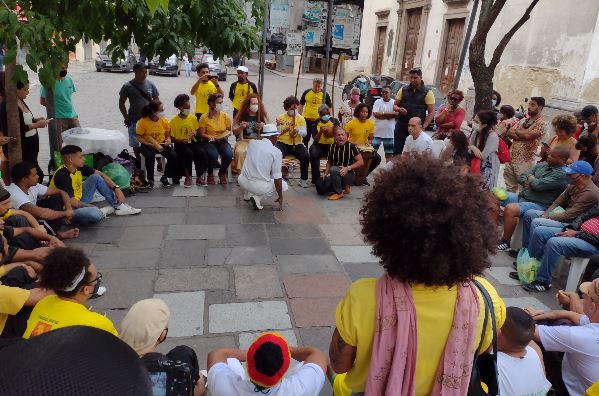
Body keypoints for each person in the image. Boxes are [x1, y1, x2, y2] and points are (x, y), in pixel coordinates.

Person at [329, 155, 505, 395]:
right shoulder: (485, 297)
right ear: (472, 236)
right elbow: (480, 350)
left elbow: (339, 365)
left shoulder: (363, 297)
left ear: (387, 233)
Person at [23, 247, 116, 339]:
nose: (98, 281)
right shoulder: (99, 324)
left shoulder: (43, 303)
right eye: (96, 278)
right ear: (86, 289)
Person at [120, 298, 205, 396]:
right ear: (161, 335)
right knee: (183, 353)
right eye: (165, 328)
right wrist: (200, 387)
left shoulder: (109, 356)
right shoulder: (156, 374)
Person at [530, 278, 599, 395]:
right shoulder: (593, 324)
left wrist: (526, 313)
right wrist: (547, 314)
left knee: (528, 342)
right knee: (559, 321)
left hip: (569, 390)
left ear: (592, 306)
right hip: (584, 384)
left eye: (585, 295)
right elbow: (574, 316)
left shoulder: (582, 336)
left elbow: (528, 331)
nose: (582, 296)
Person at [207, 332, 326, 395]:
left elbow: (217, 353)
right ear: (284, 368)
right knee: (305, 365)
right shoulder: (301, 389)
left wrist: (251, 354)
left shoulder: (222, 387)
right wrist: (285, 351)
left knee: (230, 361)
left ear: (249, 364)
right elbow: (316, 354)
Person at [496, 147, 569, 251]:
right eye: (549, 154)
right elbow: (521, 177)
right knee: (494, 196)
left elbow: (538, 186)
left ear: (562, 160)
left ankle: (505, 241)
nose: (548, 156)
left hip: (538, 204)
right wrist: (531, 181)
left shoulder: (561, 175)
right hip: (522, 197)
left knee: (510, 209)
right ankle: (490, 233)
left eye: (552, 156)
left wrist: (532, 179)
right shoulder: (542, 165)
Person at [50, 145, 141, 226]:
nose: (84, 159)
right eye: (81, 157)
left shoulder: (78, 168)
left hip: (78, 200)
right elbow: (72, 202)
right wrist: (91, 207)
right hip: (65, 211)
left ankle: (119, 206)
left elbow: (101, 174)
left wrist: (116, 189)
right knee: (94, 213)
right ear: (71, 159)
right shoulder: (62, 175)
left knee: (96, 177)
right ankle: (102, 211)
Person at [520, 160, 599, 252]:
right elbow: (558, 202)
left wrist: (548, 216)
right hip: (562, 214)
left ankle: (533, 255)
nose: (568, 175)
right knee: (529, 214)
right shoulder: (573, 185)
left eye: (571, 173)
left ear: (581, 176)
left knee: (537, 223)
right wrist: (547, 213)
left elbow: (569, 216)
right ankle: (525, 248)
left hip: (571, 222)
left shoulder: (590, 193)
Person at [523, 201, 599, 292]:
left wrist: (578, 234)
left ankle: (543, 281)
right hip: (578, 232)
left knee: (555, 243)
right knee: (540, 231)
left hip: (593, 244)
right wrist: (572, 228)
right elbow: (584, 216)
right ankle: (528, 269)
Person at [7, 162, 80, 240]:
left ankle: (56, 233)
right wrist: (64, 213)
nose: (38, 176)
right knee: (92, 214)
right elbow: (42, 214)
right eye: (34, 175)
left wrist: (69, 209)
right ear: (24, 179)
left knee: (57, 197)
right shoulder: (14, 193)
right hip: (20, 225)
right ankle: (55, 236)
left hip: (35, 217)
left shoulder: (33, 186)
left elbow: (62, 192)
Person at [497, 307, 551, 396]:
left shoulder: (494, 361)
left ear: (499, 333)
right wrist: (524, 320)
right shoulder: (535, 351)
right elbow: (523, 332)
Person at [0, 80, 47, 183]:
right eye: (25, 89)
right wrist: (36, 125)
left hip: (32, 146)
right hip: (24, 147)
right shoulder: (8, 105)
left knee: (36, 173)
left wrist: (36, 120)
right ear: (16, 90)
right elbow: (16, 128)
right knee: (37, 175)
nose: (27, 92)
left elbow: (25, 120)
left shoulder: (20, 100)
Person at [238, 124, 287, 211]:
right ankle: (257, 198)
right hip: (258, 186)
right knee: (283, 185)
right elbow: (277, 178)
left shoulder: (252, 143)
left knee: (253, 170)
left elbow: (245, 155)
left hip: (242, 180)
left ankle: (248, 193)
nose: (277, 138)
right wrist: (280, 196)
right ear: (272, 137)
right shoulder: (276, 152)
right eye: (276, 136)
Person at [503, 97, 547, 192]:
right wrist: (523, 134)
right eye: (529, 104)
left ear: (540, 107)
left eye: (533, 105)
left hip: (525, 161)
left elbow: (527, 136)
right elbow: (509, 132)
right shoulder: (523, 120)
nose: (529, 107)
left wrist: (520, 133)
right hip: (511, 158)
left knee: (523, 190)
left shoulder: (541, 124)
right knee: (509, 188)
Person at [40, 66, 79, 171]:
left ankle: (75, 166)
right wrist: (54, 111)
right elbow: (43, 101)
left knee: (78, 141)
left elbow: (68, 97)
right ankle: (59, 169)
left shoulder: (69, 79)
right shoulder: (48, 82)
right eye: (60, 68)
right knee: (58, 145)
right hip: (57, 117)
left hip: (72, 115)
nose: (63, 70)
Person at [118, 62, 159, 162]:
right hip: (134, 120)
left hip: (149, 121)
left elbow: (157, 101)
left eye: (146, 72)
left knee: (153, 140)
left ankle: (158, 162)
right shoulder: (127, 86)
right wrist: (126, 117)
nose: (144, 74)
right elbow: (121, 103)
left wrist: (156, 116)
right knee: (135, 142)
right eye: (141, 72)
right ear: (135, 72)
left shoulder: (150, 85)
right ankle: (139, 161)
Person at [392, 68, 435, 154]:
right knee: (397, 152)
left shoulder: (428, 92)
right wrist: (399, 109)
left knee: (415, 153)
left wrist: (423, 127)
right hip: (402, 125)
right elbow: (394, 106)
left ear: (421, 77)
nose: (412, 80)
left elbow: (431, 112)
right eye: (411, 78)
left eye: (415, 78)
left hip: (416, 128)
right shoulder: (403, 90)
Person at [136, 99, 178, 188]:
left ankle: (165, 176)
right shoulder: (143, 122)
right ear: (153, 111)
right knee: (150, 156)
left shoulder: (164, 121)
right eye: (161, 110)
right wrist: (148, 144)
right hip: (148, 145)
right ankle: (150, 179)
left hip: (162, 144)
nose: (163, 112)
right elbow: (139, 137)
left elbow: (167, 135)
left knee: (173, 156)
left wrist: (168, 140)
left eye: (163, 110)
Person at [316, 127, 364, 200]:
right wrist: (325, 173)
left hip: (349, 174)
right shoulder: (332, 146)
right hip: (336, 174)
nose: (341, 137)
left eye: (343, 135)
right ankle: (344, 186)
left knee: (334, 169)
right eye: (338, 135)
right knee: (320, 187)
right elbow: (329, 161)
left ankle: (339, 193)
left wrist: (347, 168)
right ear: (334, 137)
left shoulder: (352, 147)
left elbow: (361, 162)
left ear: (346, 136)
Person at [170, 94, 207, 187]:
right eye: (186, 108)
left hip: (192, 142)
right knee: (188, 153)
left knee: (201, 152)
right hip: (180, 144)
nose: (188, 110)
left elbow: (197, 130)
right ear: (180, 107)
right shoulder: (174, 120)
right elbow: (172, 138)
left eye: (189, 108)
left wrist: (195, 133)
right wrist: (181, 141)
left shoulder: (193, 118)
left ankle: (199, 176)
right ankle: (188, 176)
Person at [198, 93, 233, 185]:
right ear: (212, 104)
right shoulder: (204, 117)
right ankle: (210, 173)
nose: (221, 105)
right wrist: (209, 136)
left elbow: (229, 130)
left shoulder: (225, 116)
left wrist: (226, 134)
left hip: (222, 141)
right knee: (213, 155)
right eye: (219, 103)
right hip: (209, 142)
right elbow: (202, 134)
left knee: (229, 154)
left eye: (222, 102)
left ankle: (222, 172)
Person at [275, 96, 310, 188]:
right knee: (276, 155)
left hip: (296, 143)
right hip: (283, 142)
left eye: (296, 107)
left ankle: (303, 179)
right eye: (292, 108)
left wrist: (298, 130)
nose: (294, 110)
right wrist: (278, 125)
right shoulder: (281, 117)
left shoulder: (301, 118)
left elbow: (304, 134)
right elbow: (277, 133)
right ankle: (277, 177)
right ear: (287, 108)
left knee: (305, 156)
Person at [345, 103, 381, 185]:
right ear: (358, 112)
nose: (365, 114)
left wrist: (368, 142)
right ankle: (351, 177)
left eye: (366, 112)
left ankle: (363, 176)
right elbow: (345, 140)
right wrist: (353, 143)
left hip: (365, 148)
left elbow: (371, 139)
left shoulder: (370, 123)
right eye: (362, 112)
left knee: (377, 158)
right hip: (353, 147)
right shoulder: (351, 123)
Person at [231, 94, 266, 174]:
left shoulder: (261, 115)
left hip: (258, 140)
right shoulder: (241, 116)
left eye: (257, 104)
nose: (255, 106)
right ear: (248, 105)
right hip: (244, 140)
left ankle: (261, 172)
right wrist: (241, 127)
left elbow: (267, 132)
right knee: (239, 151)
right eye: (253, 104)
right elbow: (234, 131)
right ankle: (242, 172)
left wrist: (262, 127)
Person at [470, 110, 500, 190]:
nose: (473, 122)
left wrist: (473, 148)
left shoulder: (492, 136)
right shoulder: (475, 133)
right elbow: (469, 148)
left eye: (476, 121)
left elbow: (483, 156)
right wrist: (473, 148)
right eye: (473, 120)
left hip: (488, 167)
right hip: (476, 165)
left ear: (484, 125)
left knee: (484, 191)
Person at [309, 104, 339, 183]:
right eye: (323, 114)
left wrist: (333, 131)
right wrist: (320, 132)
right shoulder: (316, 122)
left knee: (338, 153)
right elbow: (315, 140)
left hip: (331, 145)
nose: (326, 116)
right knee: (313, 153)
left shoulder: (334, 121)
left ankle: (335, 177)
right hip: (319, 145)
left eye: (328, 114)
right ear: (319, 114)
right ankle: (316, 179)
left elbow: (339, 135)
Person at [299, 77, 332, 147]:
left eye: (319, 86)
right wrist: (299, 117)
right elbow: (301, 105)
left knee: (317, 138)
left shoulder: (325, 94)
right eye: (315, 86)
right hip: (307, 119)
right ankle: (305, 153)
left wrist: (329, 119)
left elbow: (330, 108)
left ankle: (314, 151)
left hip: (318, 121)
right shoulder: (307, 92)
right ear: (313, 84)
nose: (317, 88)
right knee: (305, 139)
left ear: (321, 86)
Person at [371, 86, 397, 160]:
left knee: (389, 155)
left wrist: (382, 114)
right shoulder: (377, 102)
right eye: (383, 92)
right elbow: (375, 114)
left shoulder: (394, 102)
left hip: (389, 133)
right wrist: (388, 115)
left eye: (386, 92)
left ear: (390, 93)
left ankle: (387, 171)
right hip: (377, 133)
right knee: (372, 153)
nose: (384, 94)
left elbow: (396, 114)